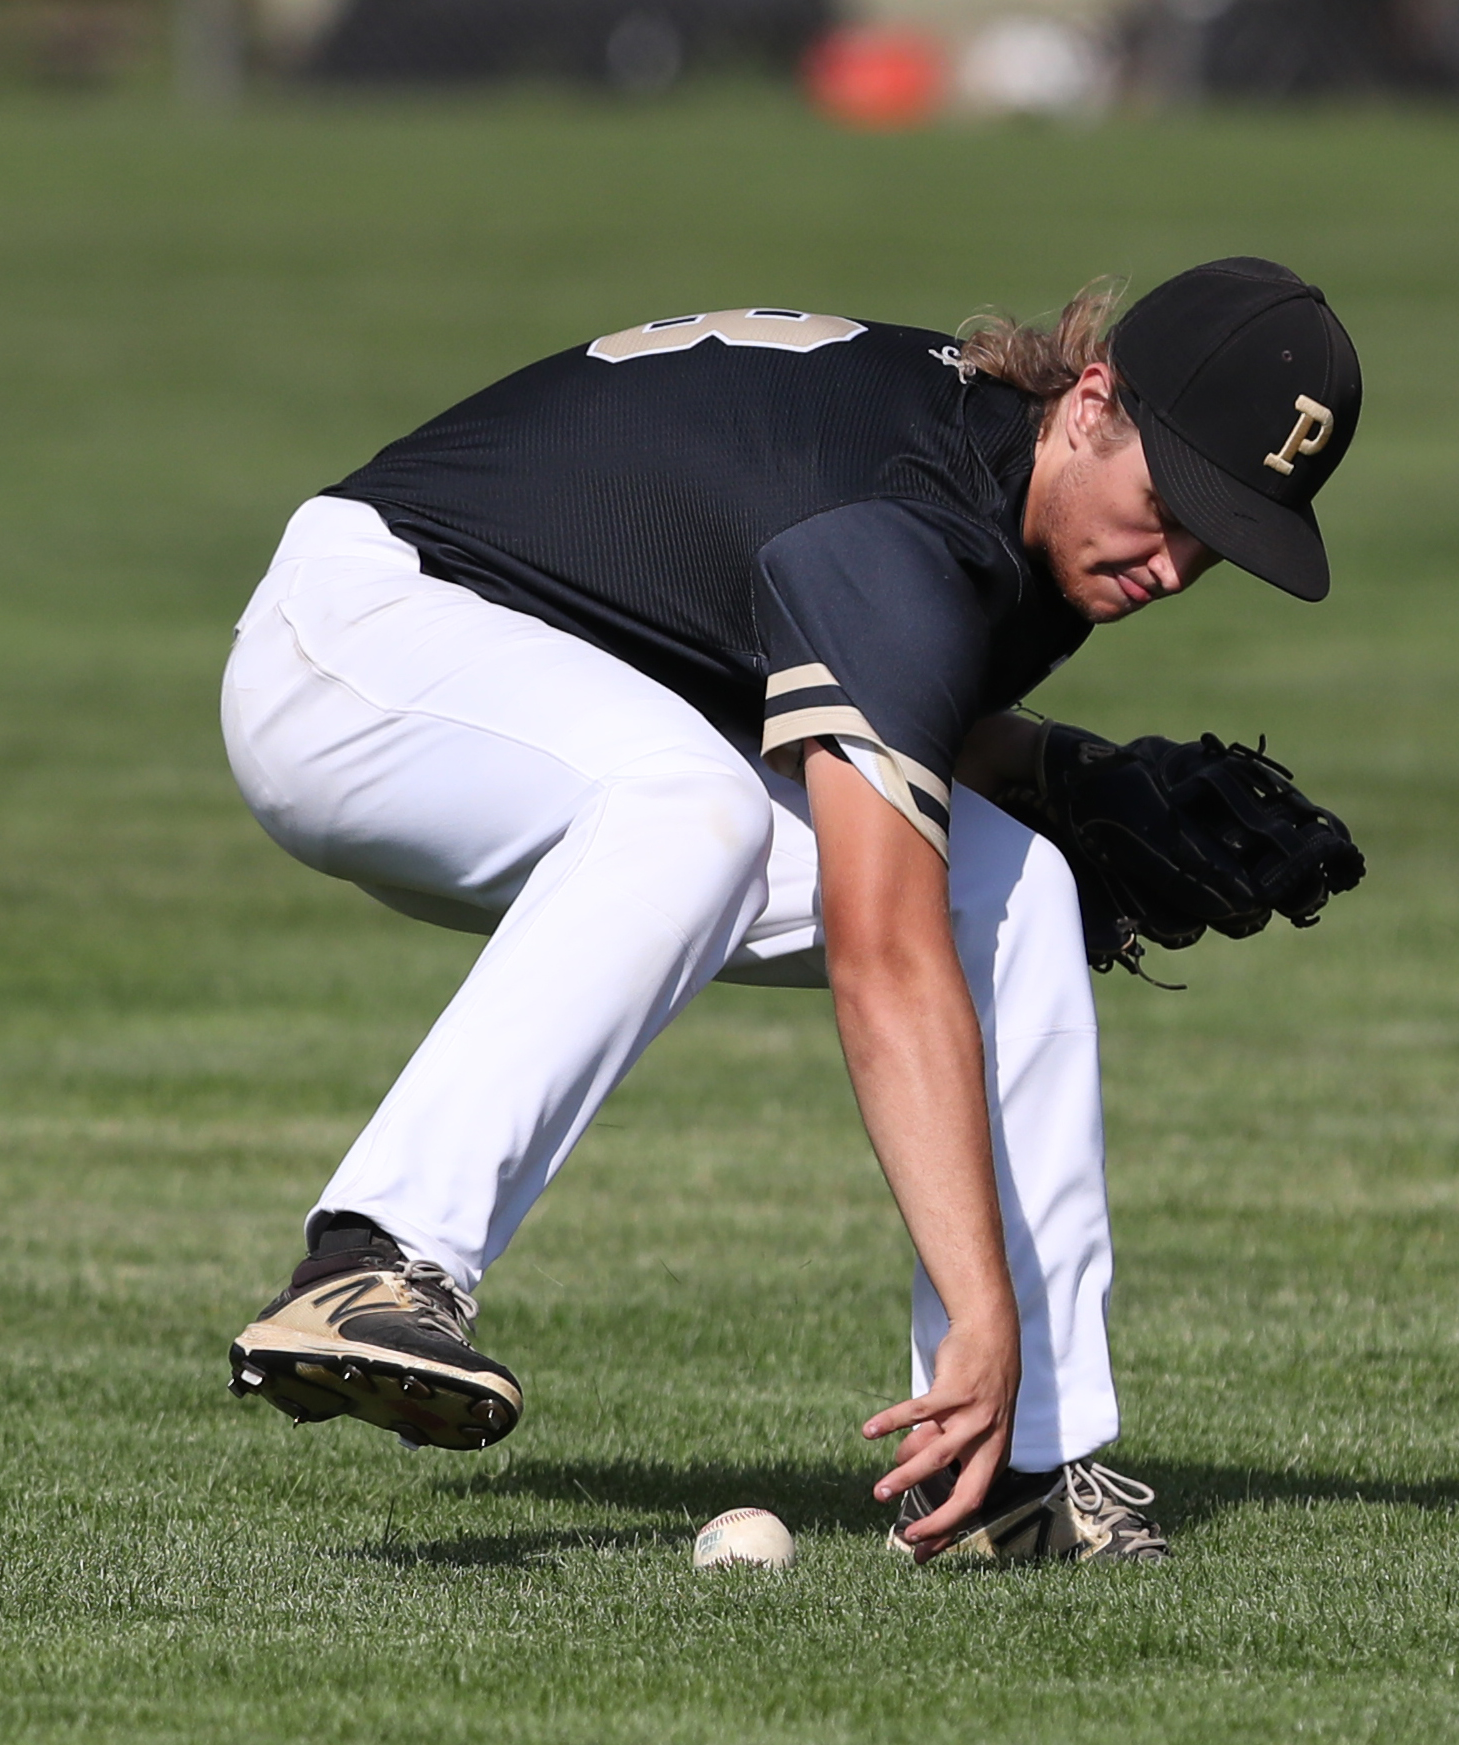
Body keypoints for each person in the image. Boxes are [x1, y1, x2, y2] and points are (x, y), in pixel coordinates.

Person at [220, 258, 1362, 1564]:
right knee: (694, 812)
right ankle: (369, 1260)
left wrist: (1059, 775)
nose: (1174, 563)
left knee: (1017, 889)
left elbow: (853, 684)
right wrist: (978, 1294)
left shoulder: (992, 488)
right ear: (1093, 400)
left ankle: (1017, 1469)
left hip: (552, 683)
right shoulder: (900, 523)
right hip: (361, 649)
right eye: (1170, 503)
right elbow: (884, 951)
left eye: (1219, 535)